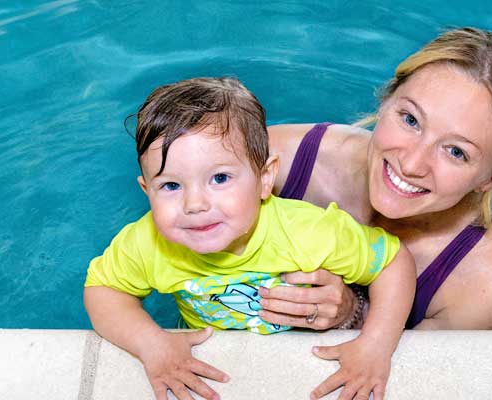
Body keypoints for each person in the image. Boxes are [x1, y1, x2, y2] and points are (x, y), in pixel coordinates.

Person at [83, 77, 415, 400]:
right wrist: (151, 343)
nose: (194, 204)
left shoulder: (307, 231)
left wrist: (375, 345)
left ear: (264, 179)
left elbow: (393, 263)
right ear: (147, 190)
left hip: (307, 345)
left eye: (220, 178)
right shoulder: (148, 242)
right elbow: (103, 289)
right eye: (171, 186)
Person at [259, 26, 492, 346]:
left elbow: (410, 383)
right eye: (410, 120)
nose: (411, 165)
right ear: (386, 100)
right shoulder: (287, 161)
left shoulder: (484, 282)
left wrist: (351, 316)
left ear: (490, 178)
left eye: (456, 152)